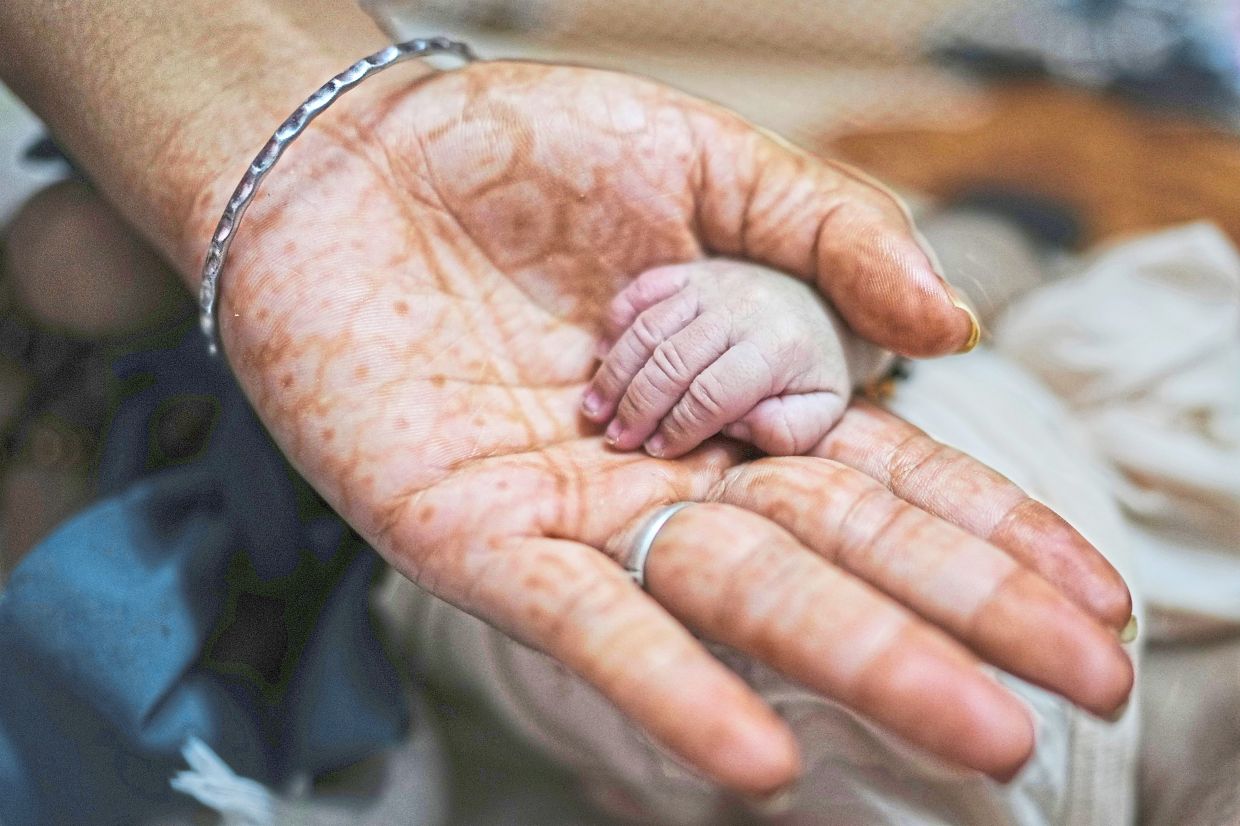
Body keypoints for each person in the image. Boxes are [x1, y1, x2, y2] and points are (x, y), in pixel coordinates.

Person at [0, 0, 1135, 821]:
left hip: (482, 577)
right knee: (78, 260)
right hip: (562, 443)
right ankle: (970, 241)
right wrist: (817, 318)